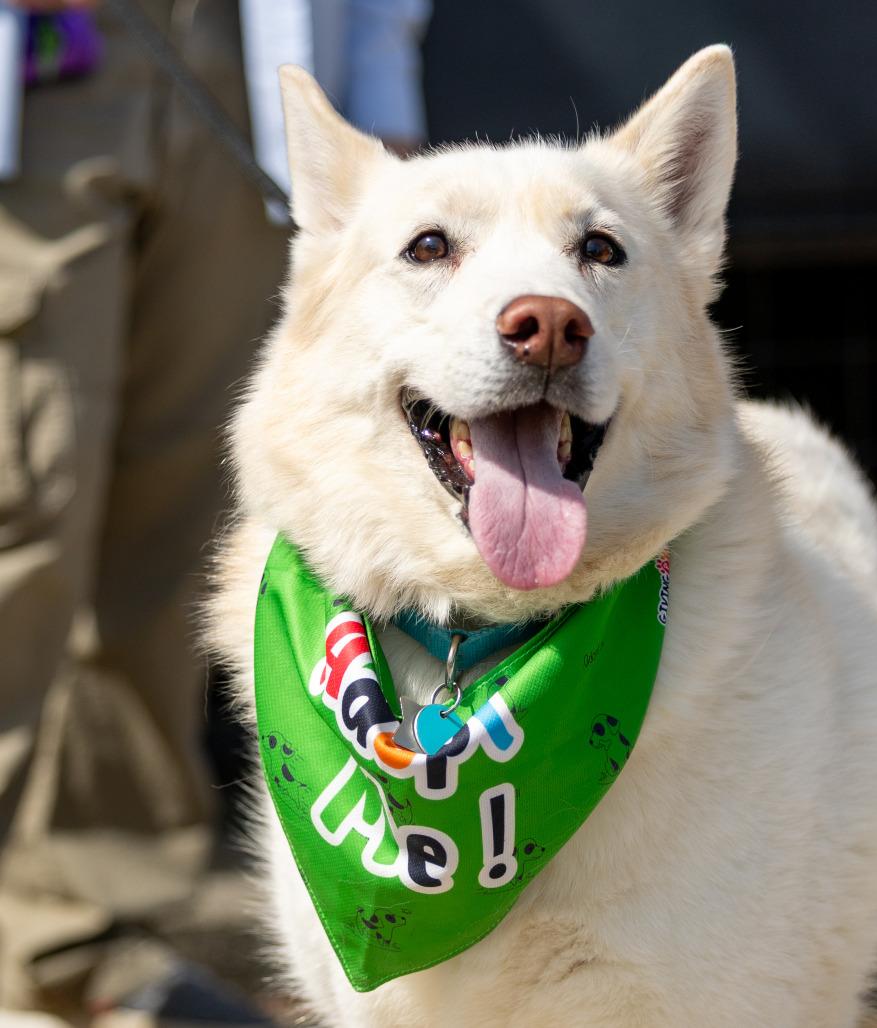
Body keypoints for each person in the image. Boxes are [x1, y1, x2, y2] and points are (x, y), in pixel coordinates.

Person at [0, 0, 430, 1020]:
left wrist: (380, 102)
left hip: (244, 62)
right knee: (24, 508)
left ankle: (81, 928)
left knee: (177, 516)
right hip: (47, 69)